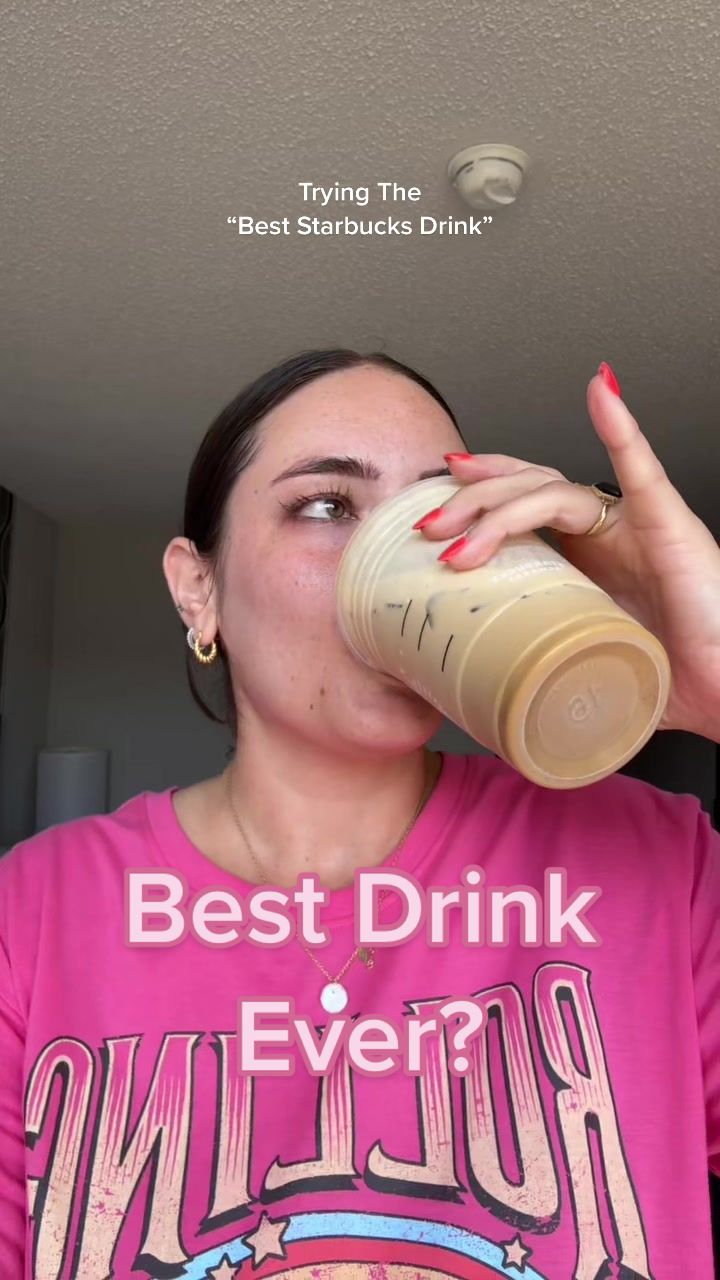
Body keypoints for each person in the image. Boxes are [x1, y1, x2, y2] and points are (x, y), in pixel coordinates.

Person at [0, 348, 718, 1280]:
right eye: (327, 506)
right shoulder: (34, 912)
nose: (407, 556)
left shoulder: (660, 864)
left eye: (435, 509)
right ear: (198, 589)